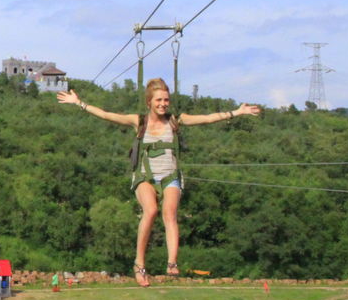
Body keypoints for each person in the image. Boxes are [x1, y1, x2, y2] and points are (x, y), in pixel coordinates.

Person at [58, 78, 260, 287]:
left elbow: (207, 118)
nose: (163, 104)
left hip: (170, 176)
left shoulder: (175, 121)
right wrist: (79, 103)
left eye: (166, 100)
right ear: (149, 103)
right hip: (145, 176)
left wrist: (237, 112)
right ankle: (139, 264)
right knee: (151, 210)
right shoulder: (139, 121)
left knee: (169, 213)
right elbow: (107, 115)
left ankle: (172, 262)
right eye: (159, 100)